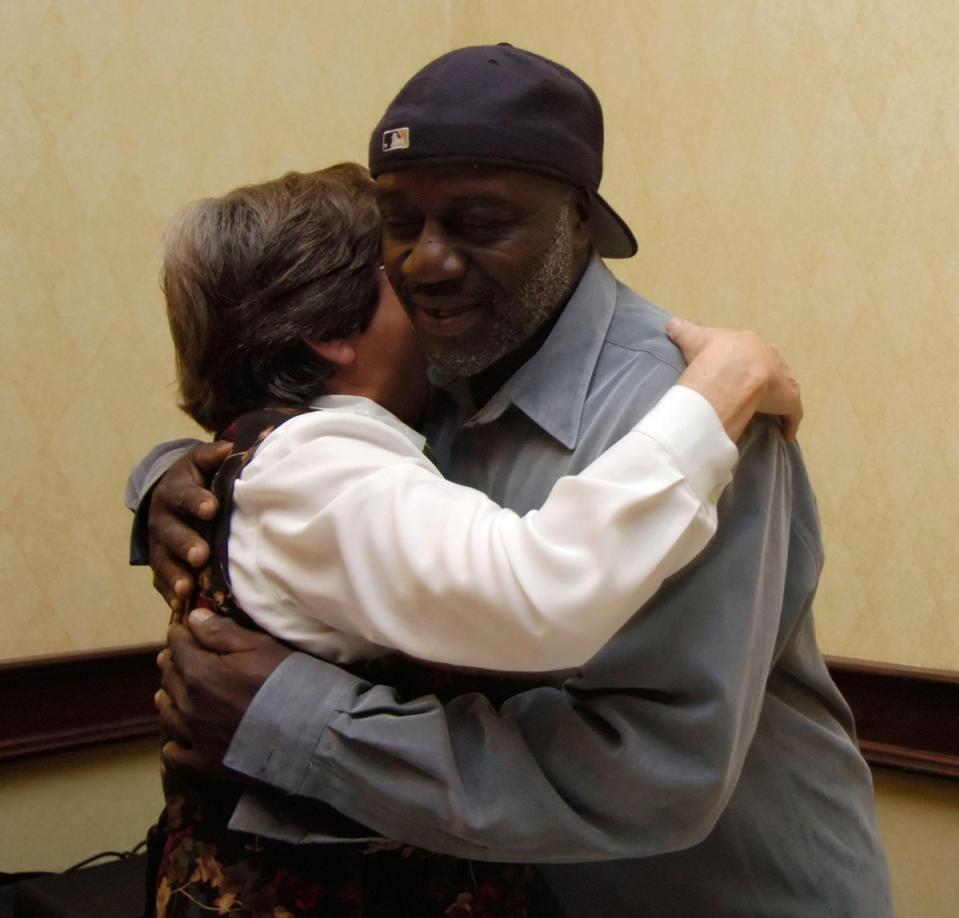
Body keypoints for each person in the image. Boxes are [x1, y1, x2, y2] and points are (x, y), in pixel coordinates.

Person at [137, 45, 892, 917]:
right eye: (400, 221)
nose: (426, 261)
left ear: (579, 219)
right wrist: (177, 482)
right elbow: (311, 454)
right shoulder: (433, 374)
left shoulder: (685, 422)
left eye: (479, 221)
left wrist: (294, 721)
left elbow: (652, 777)